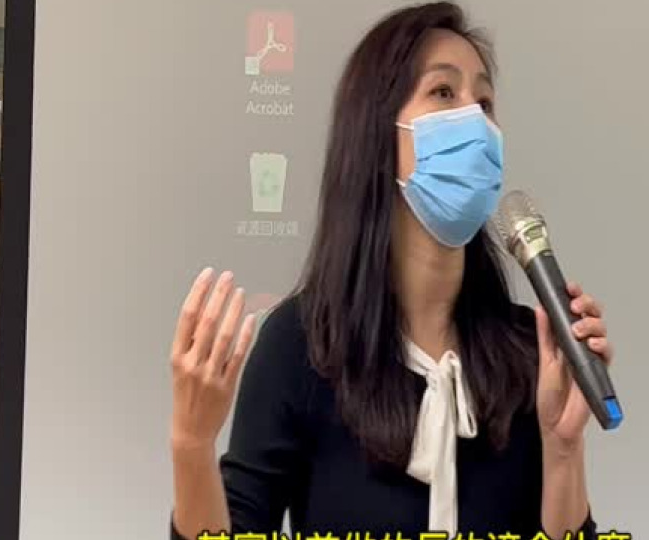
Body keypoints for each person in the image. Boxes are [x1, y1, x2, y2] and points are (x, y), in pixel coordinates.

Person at [169, 3, 615, 539]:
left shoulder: (530, 350)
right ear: (379, 131)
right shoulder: (302, 345)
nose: (475, 121)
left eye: (485, 102)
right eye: (444, 92)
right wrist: (191, 445)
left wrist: (563, 449)